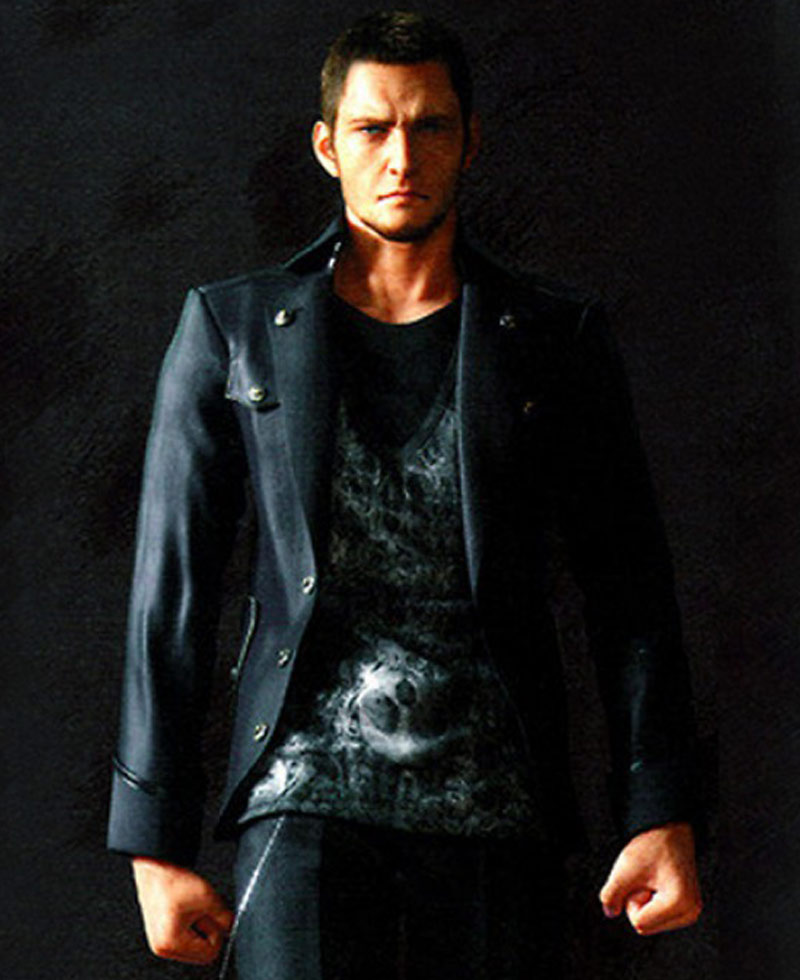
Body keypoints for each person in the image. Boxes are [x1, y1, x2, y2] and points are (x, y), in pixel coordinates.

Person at [107, 11, 702, 978]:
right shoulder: (234, 329)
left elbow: (629, 592)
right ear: (327, 146)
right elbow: (170, 596)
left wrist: (660, 810)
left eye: (429, 127)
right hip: (302, 802)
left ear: (471, 142)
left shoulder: (554, 339)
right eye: (373, 128)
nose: (401, 157)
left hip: (495, 808)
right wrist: (153, 844)